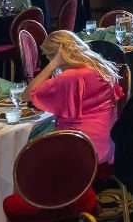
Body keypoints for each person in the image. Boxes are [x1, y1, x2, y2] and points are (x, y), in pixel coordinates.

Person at [27, 31, 123, 163]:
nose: (48, 60)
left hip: (83, 145)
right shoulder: (101, 67)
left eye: (48, 57)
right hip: (108, 143)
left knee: (28, 154)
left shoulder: (71, 77)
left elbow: (27, 94)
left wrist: (52, 65)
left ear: (56, 55)